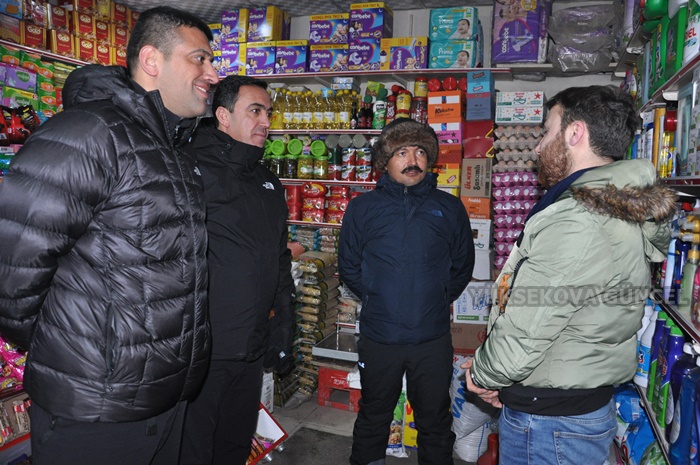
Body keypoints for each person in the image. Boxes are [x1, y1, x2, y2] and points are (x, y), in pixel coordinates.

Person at [0, 6, 219, 465]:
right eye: (199, 59)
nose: (212, 74)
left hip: (164, 397)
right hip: (95, 406)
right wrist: (64, 345)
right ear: (152, 59)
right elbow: (13, 261)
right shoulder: (89, 132)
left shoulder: (174, 150)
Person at [464, 85, 676, 465]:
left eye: (547, 131)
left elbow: (531, 323)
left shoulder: (580, 220)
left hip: (550, 421)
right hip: (569, 404)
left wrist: (484, 375)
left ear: (575, 133)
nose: (537, 147)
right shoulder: (609, 207)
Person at [339, 118, 475, 465]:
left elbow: (462, 267)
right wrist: (378, 296)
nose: (412, 160)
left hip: (431, 339)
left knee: (435, 419)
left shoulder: (449, 208)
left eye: (420, 152)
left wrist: (435, 298)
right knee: (374, 414)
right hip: (380, 336)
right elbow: (349, 266)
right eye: (401, 152)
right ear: (385, 162)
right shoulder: (362, 208)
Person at [180, 75, 295, 465]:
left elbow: (279, 258)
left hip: (251, 346)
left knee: (235, 445)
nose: (265, 122)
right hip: (205, 351)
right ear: (223, 116)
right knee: (194, 449)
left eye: (269, 113)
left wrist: (284, 325)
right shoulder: (191, 169)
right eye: (255, 111)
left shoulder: (267, 181)